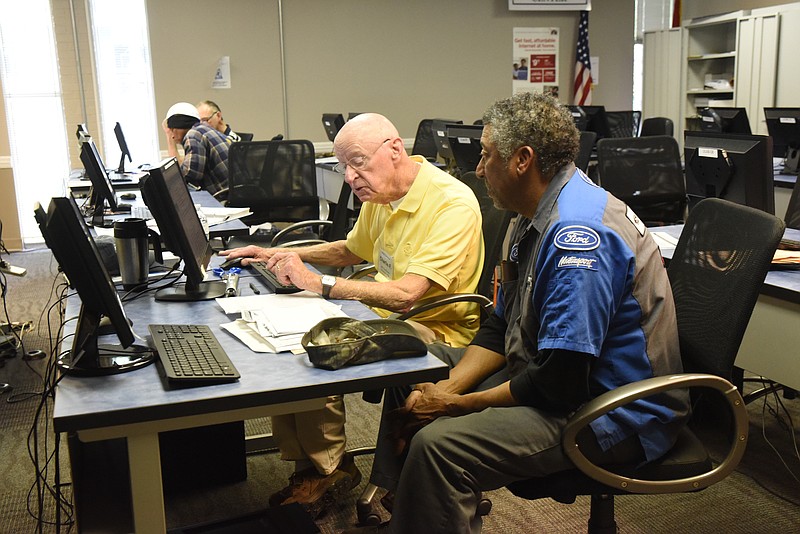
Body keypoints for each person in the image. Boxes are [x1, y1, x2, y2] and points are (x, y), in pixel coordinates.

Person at [348, 92, 690, 533]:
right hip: (552, 373)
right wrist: (445, 389)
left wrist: (455, 404)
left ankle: (426, 500)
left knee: (440, 446)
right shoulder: (528, 213)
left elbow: (559, 380)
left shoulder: (578, 236)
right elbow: (500, 324)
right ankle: (413, 507)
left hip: (613, 410)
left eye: (487, 155)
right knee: (411, 365)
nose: (477, 167)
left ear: (522, 160)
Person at [220, 112, 484, 518]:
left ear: (395, 150)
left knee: (316, 346)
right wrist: (280, 255)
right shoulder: (383, 196)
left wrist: (318, 284)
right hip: (379, 309)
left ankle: (331, 469)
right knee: (290, 330)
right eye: (344, 165)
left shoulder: (451, 203)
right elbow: (348, 251)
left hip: (436, 328)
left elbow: (407, 296)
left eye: (357, 161)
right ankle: (314, 464)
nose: (348, 176)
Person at [162, 102, 230, 194]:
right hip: (235, 194)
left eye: (172, 130)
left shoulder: (193, 135)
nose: (172, 136)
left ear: (180, 126)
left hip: (224, 199)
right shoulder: (204, 130)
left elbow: (190, 176)